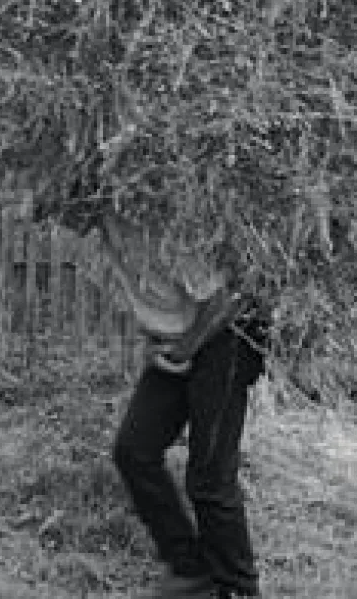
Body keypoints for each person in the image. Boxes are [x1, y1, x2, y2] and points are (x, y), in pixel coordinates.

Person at [110, 230, 271, 599]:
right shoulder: (109, 226)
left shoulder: (158, 223)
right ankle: (191, 570)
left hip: (229, 335)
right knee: (134, 450)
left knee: (210, 479)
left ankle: (239, 589)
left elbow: (231, 295)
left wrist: (184, 350)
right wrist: (160, 342)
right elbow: (162, 300)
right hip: (184, 338)